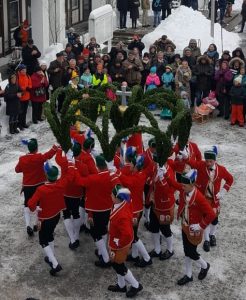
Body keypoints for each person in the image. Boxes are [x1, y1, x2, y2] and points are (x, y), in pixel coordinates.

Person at [28, 159, 75, 276]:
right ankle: (51, 256)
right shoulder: (61, 184)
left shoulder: (41, 189)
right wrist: (71, 163)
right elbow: (70, 176)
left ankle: (54, 264)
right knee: (50, 236)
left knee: (43, 240)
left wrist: (35, 208)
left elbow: (30, 204)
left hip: (45, 219)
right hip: (56, 216)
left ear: (46, 175)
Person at [182, 146, 233, 252]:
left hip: (214, 199)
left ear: (215, 160)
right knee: (204, 218)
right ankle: (206, 240)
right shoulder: (201, 165)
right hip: (203, 199)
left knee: (214, 220)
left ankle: (212, 235)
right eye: (207, 161)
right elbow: (193, 163)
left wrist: (223, 192)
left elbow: (230, 179)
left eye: (210, 161)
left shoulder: (222, 170)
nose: (208, 163)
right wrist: (186, 157)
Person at [74, 155, 120, 268]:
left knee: (95, 233)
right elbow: (118, 185)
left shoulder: (93, 178)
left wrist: (73, 167)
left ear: (97, 166)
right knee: (103, 230)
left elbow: (79, 181)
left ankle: (105, 258)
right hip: (108, 208)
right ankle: (101, 251)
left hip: (96, 210)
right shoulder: (111, 176)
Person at [173, 169, 216, 285]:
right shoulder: (184, 191)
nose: (182, 187)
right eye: (182, 184)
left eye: (185, 185)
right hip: (185, 226)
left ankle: (205, 265)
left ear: (192, 184)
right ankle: (188, 275)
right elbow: (174, 184)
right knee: (187, 251)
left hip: (194, 229)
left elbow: (211, 214)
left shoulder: (199, 197)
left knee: (191, 252)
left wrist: (200, 226)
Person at [15, 140, 58, 236]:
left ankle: (28, 226)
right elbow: (49, 155)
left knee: (27, 204)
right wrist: (55, 146)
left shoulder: (22, 159)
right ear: (37, 148)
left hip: (28, 186)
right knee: (39, 204)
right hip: (39, 185)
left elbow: (17, 170)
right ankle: (35, 224)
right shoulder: (38, 157)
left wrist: (25, 165)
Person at [108, 185, 143, 297]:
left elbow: (127, 234)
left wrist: (119, 243)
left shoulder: (121, 214)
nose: (110, 196)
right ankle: (121, 285)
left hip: (120, 243)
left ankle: (136, 285)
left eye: (112, 195)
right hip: (117, 239)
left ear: (118, 198)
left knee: (118, 265)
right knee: (118, 263)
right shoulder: (122, 203)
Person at [119, 155, 153, 268]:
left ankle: (147, 258)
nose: (130, 167)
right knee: (134, 234)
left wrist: (118, 173)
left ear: (136, 167)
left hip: (135, 210)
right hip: (135, 208)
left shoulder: (137, 177)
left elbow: (128, 181)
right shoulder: (140, 174)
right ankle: (134, 255)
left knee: (133, 236)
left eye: (132, 166)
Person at [148, 160, 175, 260]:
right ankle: (157, 249)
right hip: (155, 203)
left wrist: (163, 178)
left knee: (165, 229)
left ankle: (170, 249)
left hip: (164, 206)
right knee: (154, 226)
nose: (155, 164)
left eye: (156, 162)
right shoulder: (156, 168)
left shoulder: (169, 171)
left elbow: (170, 190)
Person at [16, 64, 32, 130]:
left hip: (27, 97)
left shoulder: (28, 76)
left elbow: (30, 84)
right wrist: (25, 88)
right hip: (20, 98)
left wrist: (29, 87)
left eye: (25, 70)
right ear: (20, 70)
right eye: (23, 70)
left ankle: (24, 123)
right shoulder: (17, 77)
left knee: (25, 111)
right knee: (20, 112)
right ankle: (19, 125)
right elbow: (17, 86)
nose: (24, 71)